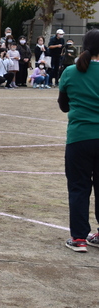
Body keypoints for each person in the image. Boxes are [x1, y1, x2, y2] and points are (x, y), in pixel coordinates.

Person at [57, 29, 99, 252]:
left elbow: (64, 106)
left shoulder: (71, 72)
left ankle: (79, 238)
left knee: (79, 188)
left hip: (80, 137)